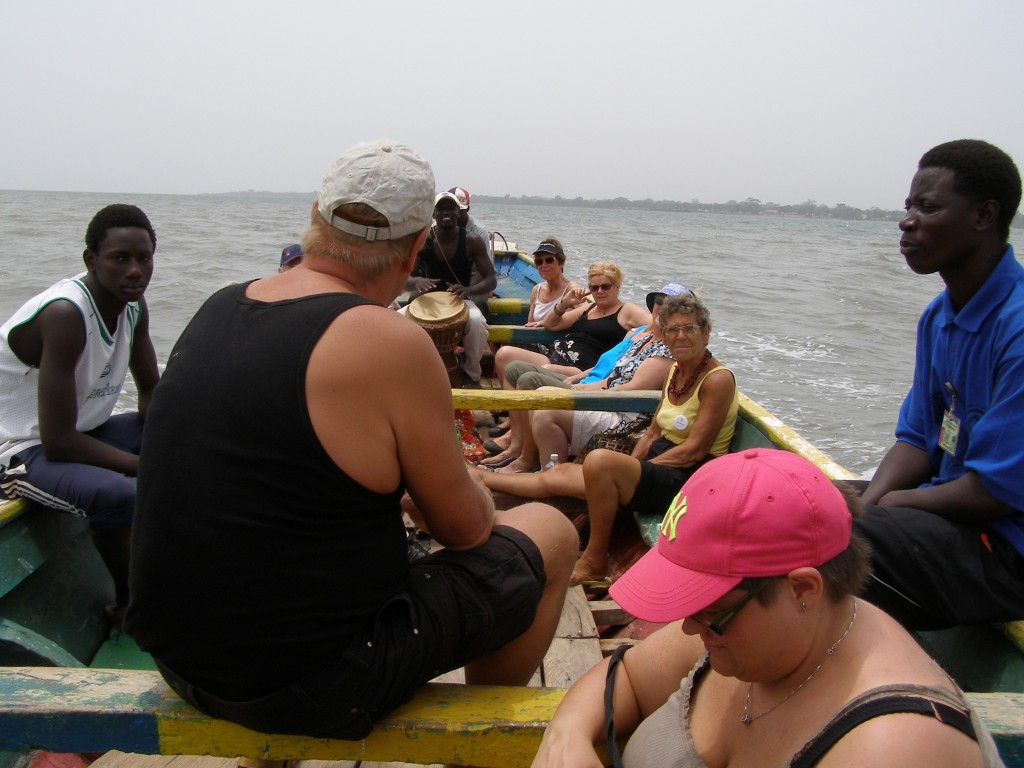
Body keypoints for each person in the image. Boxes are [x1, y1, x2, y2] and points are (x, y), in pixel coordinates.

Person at [126, 140, 578, 743]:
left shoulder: (220, 304)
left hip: (179, 661)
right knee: (552, 531)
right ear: (416, 246)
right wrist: (463, 486)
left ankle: (266, 754)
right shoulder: (389, 340)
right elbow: (468, 531)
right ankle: (476, 747)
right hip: (313, 685)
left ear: (315, 215)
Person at [531, 448, 1003, 768]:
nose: (688, 628)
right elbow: (629, 678)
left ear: (802, 590)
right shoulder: (751, 635)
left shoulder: (895, 748)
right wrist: (568, 733)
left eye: (708, 610)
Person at [854, 139, 1024, 630]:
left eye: (927, 208)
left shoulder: (1016, 327)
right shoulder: (938, 318)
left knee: (823, 538)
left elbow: (996, 490)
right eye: (909, 207)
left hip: (1006, 546)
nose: (907, 222)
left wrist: (895, 505)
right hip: (950, 511)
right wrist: (866, 505)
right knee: (789, 501)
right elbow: (918, 439)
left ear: (984, 215)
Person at [478, 291, 738, 583]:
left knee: (600, 463)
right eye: (673, 329)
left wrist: (635, 473)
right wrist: (632, 469)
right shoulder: (676, 370)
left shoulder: (717, 379)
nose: (680, 336)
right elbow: (652, 433)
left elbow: (694, 451)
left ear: (706, 332)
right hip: (661, 460)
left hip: (688, 476)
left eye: (689, 328)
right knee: (559, 473)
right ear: (664, 335)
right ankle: (483, 479)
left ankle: (595, 560)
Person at [0, 204, 160, 627]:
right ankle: (130, 606)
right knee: (117, 494)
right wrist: (149, 466)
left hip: (83, 432)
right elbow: (58, 442)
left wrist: (175, 436)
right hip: (23, 447)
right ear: (91, 260)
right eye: (119, 258)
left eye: (143, 258)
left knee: (184, 433)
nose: (134, 271)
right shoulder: (66, 314)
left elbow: (150, 393)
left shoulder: (133, 306)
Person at [482, 283, 683, 473]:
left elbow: (630, 389)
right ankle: (535, 461)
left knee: (542, 398)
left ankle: (540, 466)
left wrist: (585, 390)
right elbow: (613, 374)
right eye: (660, 301)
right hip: (599, 389)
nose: (599, 291)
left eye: (606, 286)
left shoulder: (665, 351)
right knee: (531, 384)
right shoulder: (642, 337)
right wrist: (584, 381)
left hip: (616, 409)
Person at [404, 190, 495, 385]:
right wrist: (416, 281)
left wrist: (469, 290)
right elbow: (404, 278)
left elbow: (491, 279)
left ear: (459, 212)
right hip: (428, 301)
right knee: (396, 321)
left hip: (459, 300)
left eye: (451, 208)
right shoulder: (423, 241)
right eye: (441, 209)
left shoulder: (472, 240)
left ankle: (472, 374)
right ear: (433, 214)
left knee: (477, 322)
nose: (446, 212)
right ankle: (409, 373)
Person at [524, 238, 580, 326]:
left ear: (561, 263)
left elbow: (586, 312)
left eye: (549, 260)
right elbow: (530, 324)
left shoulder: (571, 289)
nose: (544, 265)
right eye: (539, 262)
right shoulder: (537, 290)